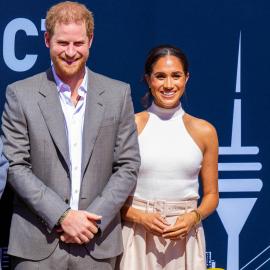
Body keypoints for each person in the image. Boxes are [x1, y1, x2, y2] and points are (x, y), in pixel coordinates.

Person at [1, 2, 140, 269]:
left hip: (96, 244)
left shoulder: (117, 94)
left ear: (90, 41)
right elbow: (16, 166)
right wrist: (62, 216)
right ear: (47, 40)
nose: (70, 52)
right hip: (36, 245)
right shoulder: (20, 94)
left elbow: (128, 165)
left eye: (78, 43)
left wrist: (91, 221)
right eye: (62, 43)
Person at [117, 45, 219, 270]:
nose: (169, 85)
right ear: (148, 79)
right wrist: (140, 217)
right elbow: (109, 196)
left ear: (187, 78)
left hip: (185, 237)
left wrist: (194, 217)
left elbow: (211, 195)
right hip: (137, 234)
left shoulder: (205, 131)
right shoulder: (130, 126)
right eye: (160, 76)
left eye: (176, 76)